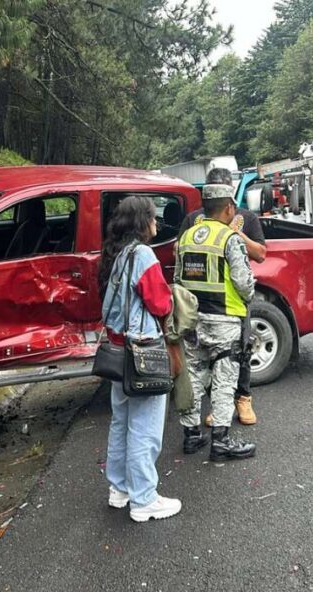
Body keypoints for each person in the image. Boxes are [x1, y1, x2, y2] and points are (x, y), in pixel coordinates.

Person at [98, 196, 181, 522]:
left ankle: (119, 490)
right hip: (142, 354)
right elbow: (160, 304)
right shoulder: (143, 254)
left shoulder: (116, 254)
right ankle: (144, 500)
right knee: (145, 428)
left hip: (119, 354)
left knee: (121, 423)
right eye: (153, 218)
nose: (156, 224)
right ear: (141, 222)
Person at [177, 168, 266, 431]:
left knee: (237, 354)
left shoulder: (246, 218)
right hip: (205, 305)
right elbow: (179, 251)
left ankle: (243, 399)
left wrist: (234, 235)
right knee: (213, 366)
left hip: (224, 304)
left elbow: (261, 253)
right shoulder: (193, 220)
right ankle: (219, 432)